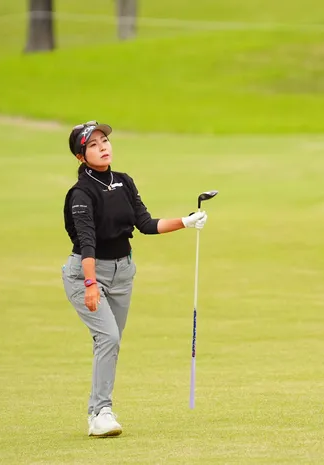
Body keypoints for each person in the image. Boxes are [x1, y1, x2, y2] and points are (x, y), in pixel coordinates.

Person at [61, 121, 208, 437]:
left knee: (109, 341)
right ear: (80, 157)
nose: (103, 147)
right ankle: (100, 413)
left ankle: (101, 410)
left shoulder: (124, 182)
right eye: (92, 145)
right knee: (108, 338)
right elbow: (86, 241)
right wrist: (90, 284)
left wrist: (186, 221)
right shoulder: (81, 194)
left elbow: (145, 224)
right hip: (87, 274)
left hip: (123, 273)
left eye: (104, 140)